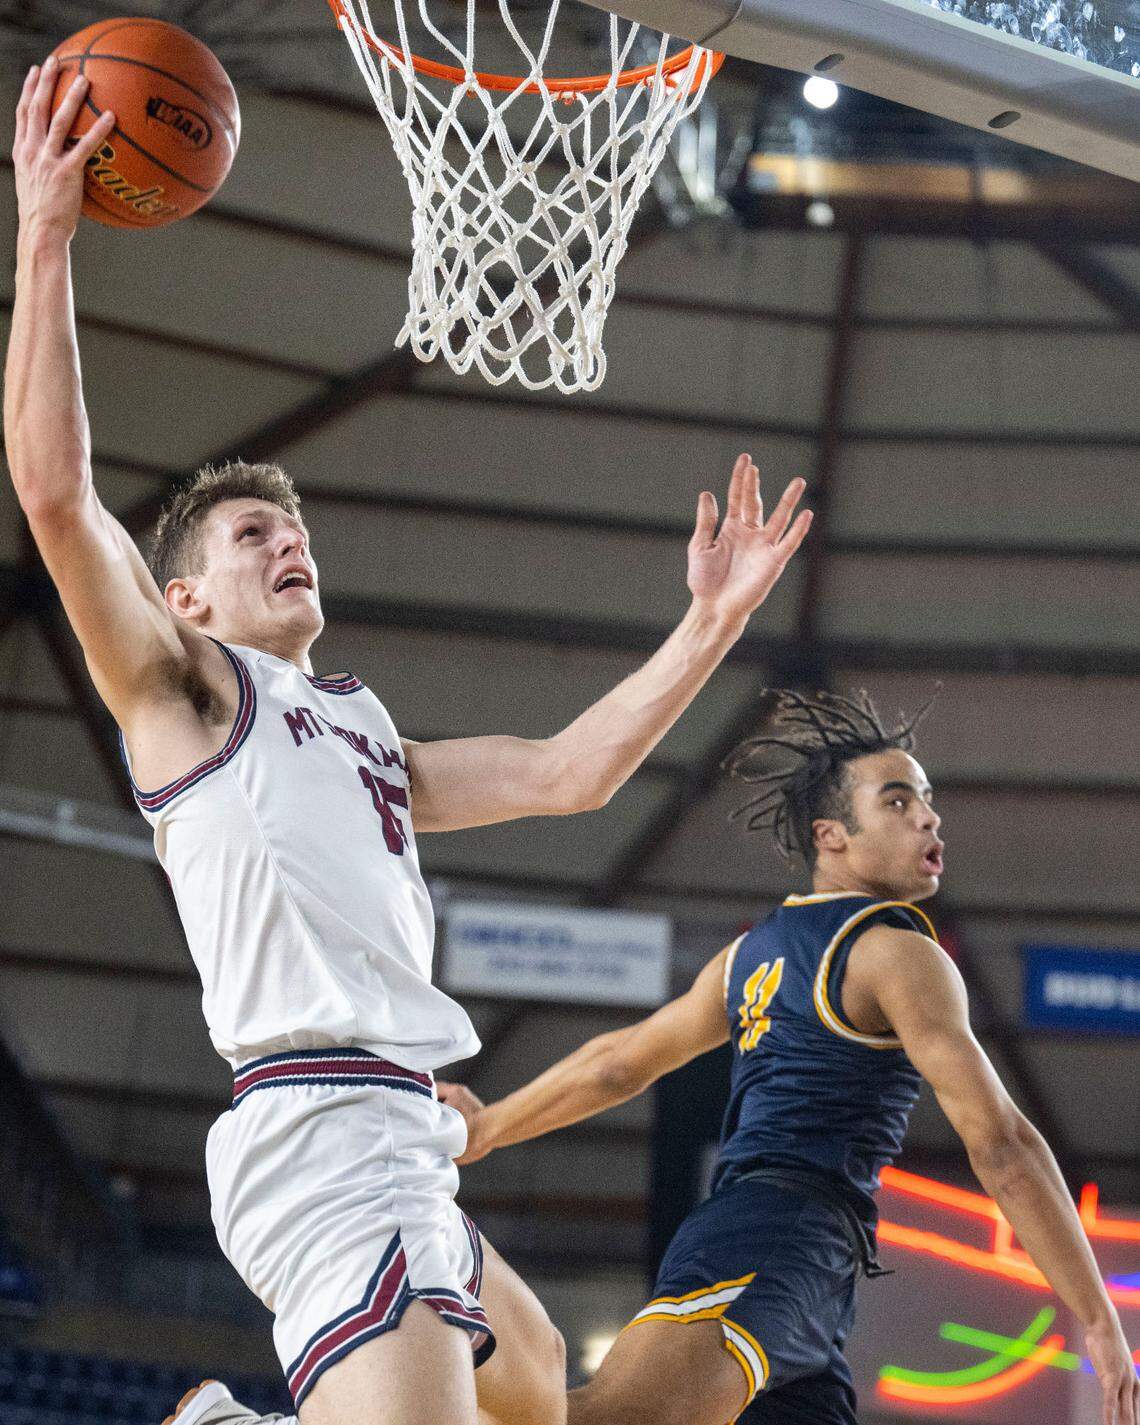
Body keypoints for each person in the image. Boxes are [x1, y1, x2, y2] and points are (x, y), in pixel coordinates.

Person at [5, 58, 812, 1425]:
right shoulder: (184, 696)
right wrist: (47, 227)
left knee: (543, 1380)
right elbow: (52, 489)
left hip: (402, 1134)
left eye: (297, 527)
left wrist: (710, 624)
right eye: (252, 534)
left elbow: (571, 774)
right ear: (184, 598)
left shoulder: (365, 732)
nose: (289, 540)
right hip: (322, 1130)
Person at [439, 687, 1140, 1425]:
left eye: (928, 799)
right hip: (777, 1230)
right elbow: (1002, 1142)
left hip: (805, 1263)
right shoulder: (898, 952)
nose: (929, 816)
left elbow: (621, 1062)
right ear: (831, 834)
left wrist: (490, 1128)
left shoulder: (750, 954)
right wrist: (1097, 1316)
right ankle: (421, 1355)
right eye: (898, 801)